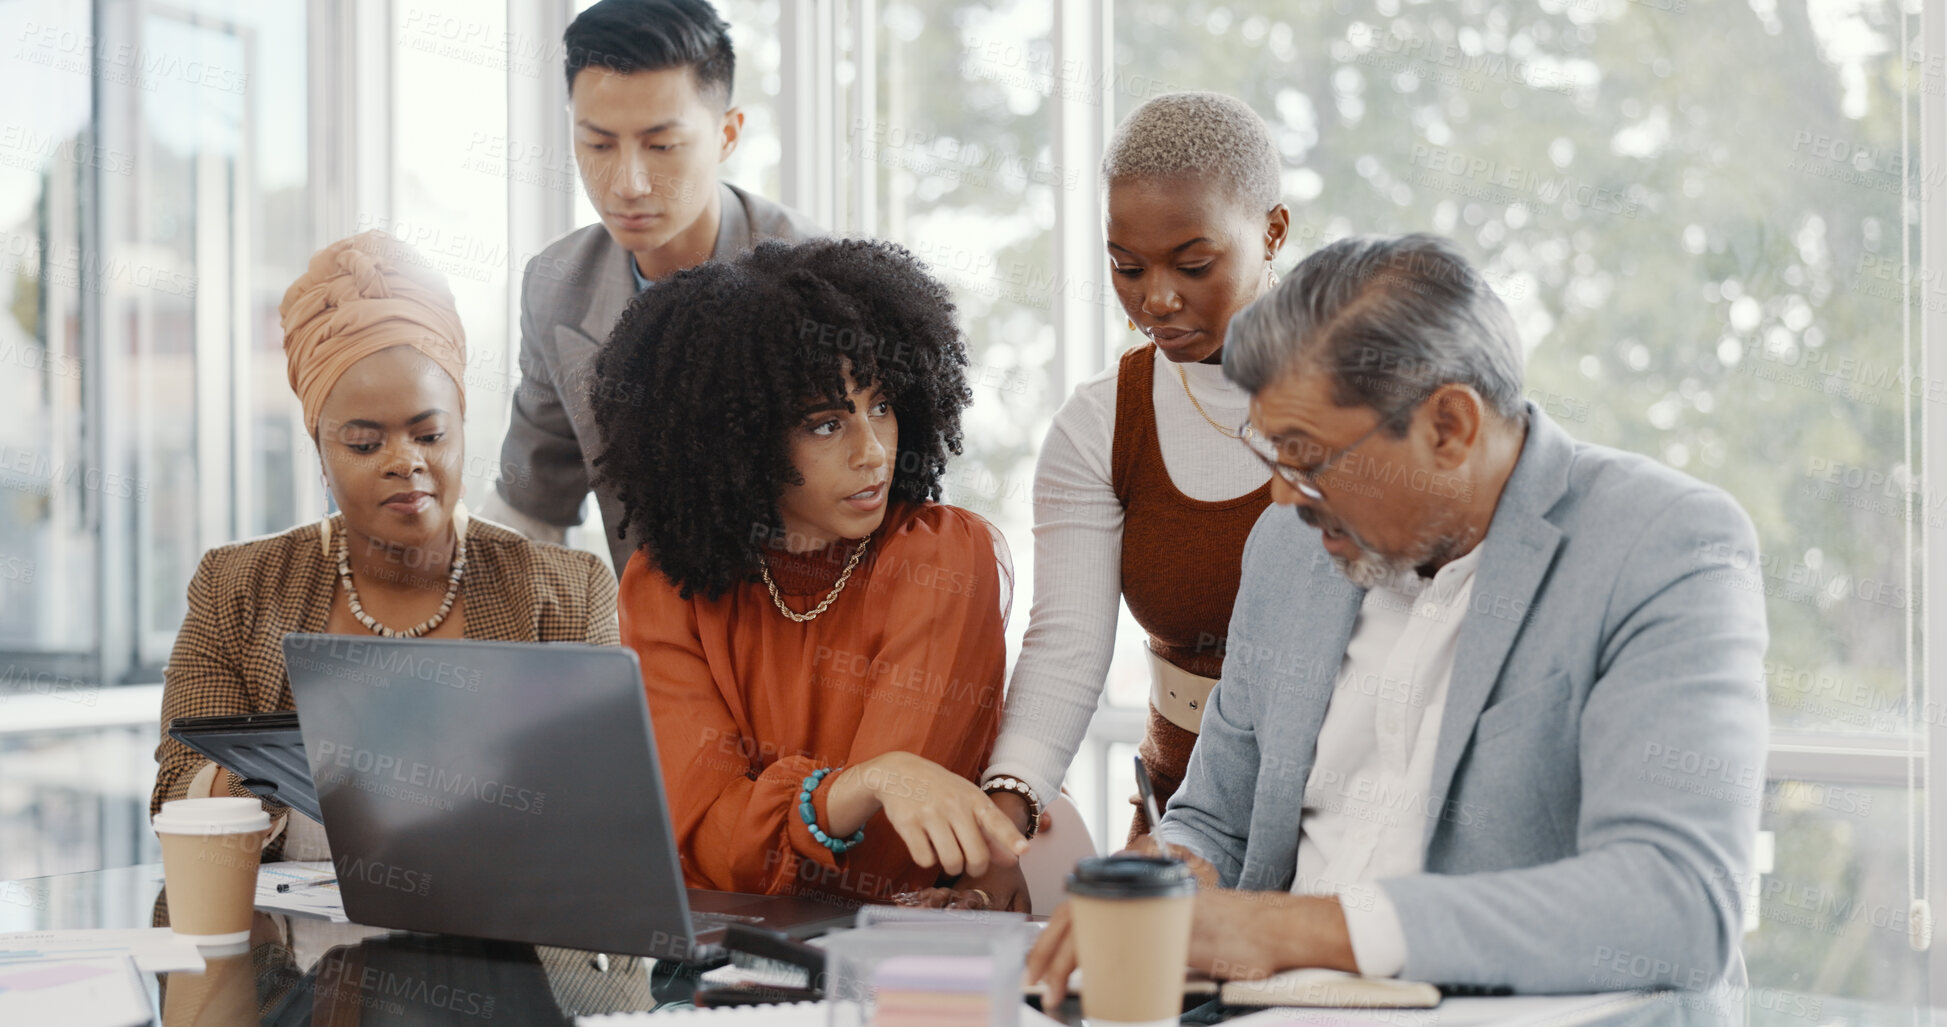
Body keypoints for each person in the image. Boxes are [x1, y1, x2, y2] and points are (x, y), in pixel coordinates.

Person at [1028, 233, 1769, 997]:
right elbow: (1215, 816)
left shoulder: (1660, 545)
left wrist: (1284, 930)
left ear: (1448, 426)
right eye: (1272, 454)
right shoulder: (1287, 548)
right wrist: (1173, 869)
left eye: (1308, 458)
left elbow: (1676, 903)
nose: (1283, 494)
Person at [151, 231, 620, 859]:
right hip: (291, 950)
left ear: (461, 430)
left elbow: (602, 818)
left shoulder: (565, 593)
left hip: (502, 949)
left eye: (429, 435)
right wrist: (322, 766)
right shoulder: (237, 589)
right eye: (365, 445)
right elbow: (180, 799)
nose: (406, 463)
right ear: (321, 456)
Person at [592, 238, 1026, 905]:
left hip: (883, 956)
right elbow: (703, 837)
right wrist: (861, 783)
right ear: (738, 440)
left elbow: (883, 857)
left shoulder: (940, 559)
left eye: (881, 406)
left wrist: (811, 808)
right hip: (713, 959)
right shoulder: (664, 584)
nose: (873, 451)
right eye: (826, 425)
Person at [977, 92, 1290, 874]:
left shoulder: (1360, 392)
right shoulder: (1099, 424)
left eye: (1192, 265)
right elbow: (1066, 649)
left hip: (1341, 811)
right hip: (1183, 822)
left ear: (1273, 232)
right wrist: (1001, 821)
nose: (1155, 299)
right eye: (1126, 266)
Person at [485, 0, 818, 575]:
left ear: (727, 134)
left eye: (661, 146)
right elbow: (529, 511)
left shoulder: (816, 280)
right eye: (598, 144)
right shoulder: (556, 287)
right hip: (654, 644)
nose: (628, 183)